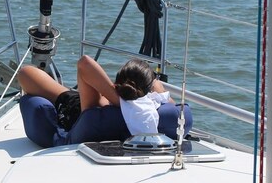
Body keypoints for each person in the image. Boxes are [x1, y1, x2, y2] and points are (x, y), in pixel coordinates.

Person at [17, 55, 173, 134]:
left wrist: (116, 98)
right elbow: (173, 106)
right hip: (87, 102)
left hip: (70, 105)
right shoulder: (155, 108)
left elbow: (85, 62)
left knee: (26, 73)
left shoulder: (99, 104)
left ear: (116, 83)